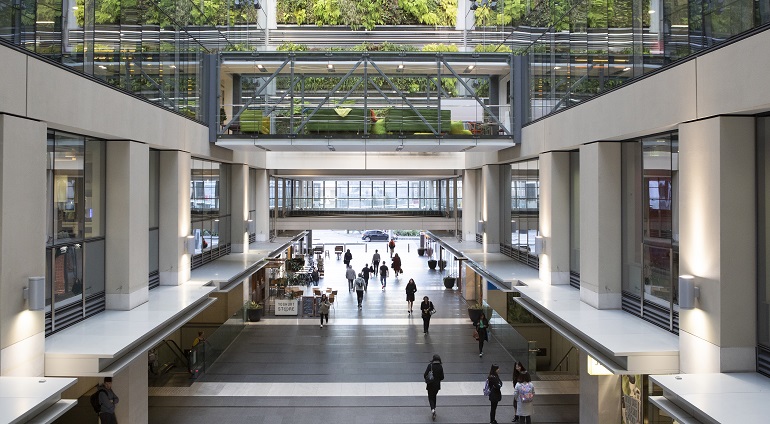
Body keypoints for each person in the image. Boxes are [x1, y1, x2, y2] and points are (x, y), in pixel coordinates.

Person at [424, 353, 445, 421]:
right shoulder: (440, 367)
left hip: (430, 384)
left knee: (430, 397)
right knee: (434, 396)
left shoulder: (430, 366)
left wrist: (428, 379)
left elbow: (425, 374)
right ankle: (434, 408)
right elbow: (442, 377)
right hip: (437, 385)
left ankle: (433, 409)